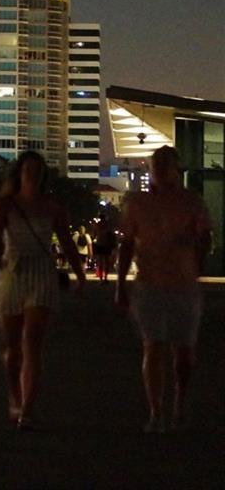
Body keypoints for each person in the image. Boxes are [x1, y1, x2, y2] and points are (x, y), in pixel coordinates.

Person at [115, 146, 213, 432]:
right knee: (153, 345)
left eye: (165, 164)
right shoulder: (137, 204)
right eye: (155, 164)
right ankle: (156, 411)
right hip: (149, 284)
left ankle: (179, 405)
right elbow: (127, 244)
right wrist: (120, 284)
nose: (159, 169)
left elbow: (205, 237)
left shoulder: (192, 203)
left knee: (183, 353)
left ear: (176, 169)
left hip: (183, 284)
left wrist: (196, 248)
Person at [0, 150, 86, 430]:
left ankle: (27, 408)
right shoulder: (5, 205)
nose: (32, 174)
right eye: (27, 169)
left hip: (41, 271)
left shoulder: (52, 206)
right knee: (12, 346)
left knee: (33, 340)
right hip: (12, 270)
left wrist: (80, 275)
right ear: (19, 173)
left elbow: (66, 242)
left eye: (37, 170)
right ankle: (14, 394)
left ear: (43, 175)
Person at [92, 217, 117, 283]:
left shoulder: (97, 225)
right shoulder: (108, 225)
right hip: (107, 245)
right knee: (106, 262)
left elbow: (94, 235)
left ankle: (101, 278)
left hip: (99, 245)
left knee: (100, 262)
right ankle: (105, 277)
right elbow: (112, 234)